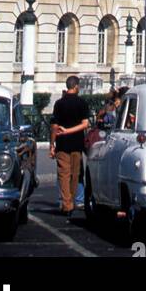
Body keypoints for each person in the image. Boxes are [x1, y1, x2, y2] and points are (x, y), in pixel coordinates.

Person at [50, 76, 90, 218]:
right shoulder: (82, 103)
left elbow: (54, 126)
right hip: (77, 143)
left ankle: (67, 203)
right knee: (75, 175)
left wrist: (52, 144)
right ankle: (71, 200)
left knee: (63, 175)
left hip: (62, 143)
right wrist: (73, 130)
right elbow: (85, 124)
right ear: (76, 86)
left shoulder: (59, 103)